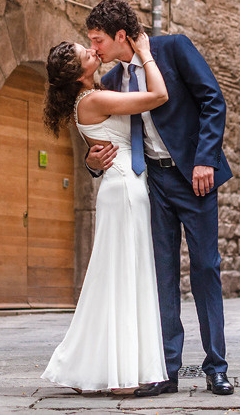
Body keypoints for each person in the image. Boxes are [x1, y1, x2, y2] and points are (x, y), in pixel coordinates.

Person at [85, 0, 234, 396]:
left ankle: (216, 366)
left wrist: (205, 159)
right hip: (151, 184)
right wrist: (93, 161)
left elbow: (212, 101)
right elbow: (105, 136)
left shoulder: (174, 48)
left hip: (194, 179)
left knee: (205, 269)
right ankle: (166, 370)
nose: (94, 49)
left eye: (97, 40)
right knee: (161, 276)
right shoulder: (114, 80)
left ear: (120, 36)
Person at [40, 31, 169, 394]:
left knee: (117, 278)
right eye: (88, 52)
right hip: (125, 190)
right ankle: (121, 376)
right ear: (81, 72)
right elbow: (158, 96)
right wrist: (144, 53)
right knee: (124, 278)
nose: (95, 51)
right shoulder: (94, 98)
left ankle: (110, 368)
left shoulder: (91, 98)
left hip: (120, 188)